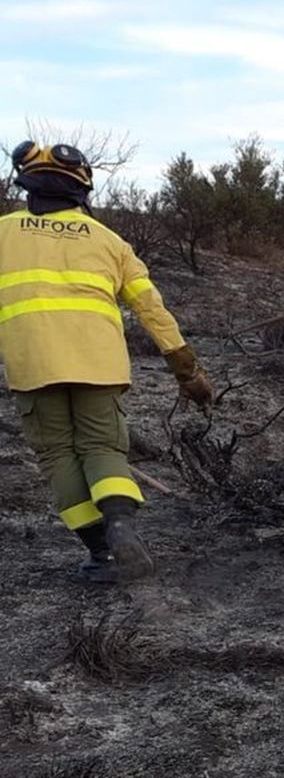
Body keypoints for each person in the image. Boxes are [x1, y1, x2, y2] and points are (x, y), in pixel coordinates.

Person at [1, 141, 214, 583]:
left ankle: (101, 555)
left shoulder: (3, 232)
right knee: (101, 449)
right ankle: (120, 523)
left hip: (33, 366)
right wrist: (188, 372)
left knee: (59, 454)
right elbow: (153, 311)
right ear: (82, 191)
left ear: (28, 188)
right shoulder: (110, 242)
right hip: (99, 365)